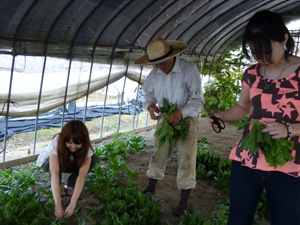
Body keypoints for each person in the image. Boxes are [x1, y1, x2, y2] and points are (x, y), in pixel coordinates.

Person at [209, 10, 300, 225]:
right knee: (238, 219)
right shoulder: (251, 73)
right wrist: (221, 115)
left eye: (267, 51)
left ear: (284, 39)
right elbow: (242, 108)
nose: (262, 59)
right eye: (255, 53)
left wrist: (290, 129)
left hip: (289, 166)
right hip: (247, 160)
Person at [134, 38, 203, 216]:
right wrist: (150, 106)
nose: (159, 66)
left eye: (162, 62)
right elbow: (148, 93)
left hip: (186, 120)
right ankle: (151, 188)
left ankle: (184, 203)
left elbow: (197, 100)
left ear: (172, 56)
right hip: (165, 120)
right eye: (155, 63)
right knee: (159, 153)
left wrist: (180, 114)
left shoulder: (188, 70)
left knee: (187, 159)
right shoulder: (155, 74)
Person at [36, 120, 97, 220]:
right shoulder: (57, 141)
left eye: (78, 144)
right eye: (69, 143)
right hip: (48, 162)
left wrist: (73, 203)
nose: (73, 147)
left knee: (93, 159)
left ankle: (70, 186)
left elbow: (81, 177)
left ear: (84, 142)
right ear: (65, 140)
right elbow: (54, 173)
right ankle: (55, 187)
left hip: (70, 161)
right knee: (58, 167)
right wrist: (58, 205)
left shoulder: (87, 149)